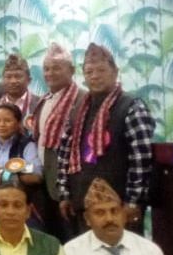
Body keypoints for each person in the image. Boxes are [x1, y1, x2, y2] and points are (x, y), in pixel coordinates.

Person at [57, 43, 155, 237]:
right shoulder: (77, 110)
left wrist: (133, 201)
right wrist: (64, 194)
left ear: (115, 72)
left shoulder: (131, 107)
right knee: (87, 254)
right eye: (89, 72)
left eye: (101, 70)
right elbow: (64, 155)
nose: (95, 76)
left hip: (120, 207)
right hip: (83, 204)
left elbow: (141, 159)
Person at [30, 43, 87, 241]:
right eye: (46, 69)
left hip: (69, 183)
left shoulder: (83, 99)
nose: (50, 73)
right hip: (44, 181)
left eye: (56, 68)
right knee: (49, 237)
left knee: (71, 237)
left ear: (71, 70)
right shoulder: (43, 100)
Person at [0, 103, 43, 231]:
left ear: (18, 123)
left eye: (7, 121)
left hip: (20, 201)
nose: (2, 125)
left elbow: (37, 176)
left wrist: (1, 177)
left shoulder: (27, 145)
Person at [0, 54, 42, 150]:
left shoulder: (40, 104)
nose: (13, 81)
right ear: (2, 80)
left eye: (18, 76)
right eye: (8, 77)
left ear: (29, 80)